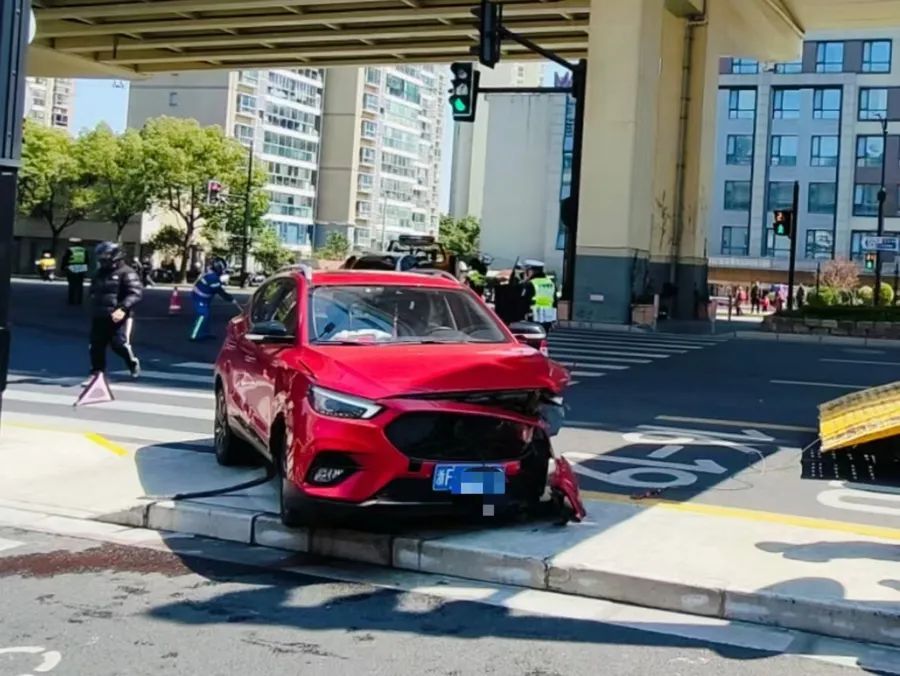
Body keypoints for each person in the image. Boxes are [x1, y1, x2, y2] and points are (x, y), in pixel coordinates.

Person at [88, 241, 143, 379]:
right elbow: (93, 289)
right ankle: (97, 373)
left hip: (119, 316)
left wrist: (123, 308)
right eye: (101, 255)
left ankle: (132, 363)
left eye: (105, 254)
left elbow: (135, 293)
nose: (102, 258)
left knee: (118, 345)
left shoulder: (127, 272)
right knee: (96, 345)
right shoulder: (100, 273)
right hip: (100, 315)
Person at [191, 257, 239, 342]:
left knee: (207, 315)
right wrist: (231, 299)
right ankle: (194, 335)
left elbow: (217, 288)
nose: (223, 271)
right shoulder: (213, 277)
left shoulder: (212, 275)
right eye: (223, 269)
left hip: (204, 298)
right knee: (203, 315)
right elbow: (219, 291)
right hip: (200, 299)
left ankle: (205, 333)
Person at [522, 259, 557, 331]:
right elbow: (554, 302)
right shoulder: (551, 283)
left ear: (531, 271)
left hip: (533, 317)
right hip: (548, 318)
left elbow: (524, 301)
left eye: (527, 271)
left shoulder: (531, 284)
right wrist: (554, 320)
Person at [61, 237, 89, 304]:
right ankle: (79, 300)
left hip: (72, 267)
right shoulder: (84, 250)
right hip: (82, 267)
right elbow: (87, 260)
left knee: (72, 284)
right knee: (80, 285)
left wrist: (62, 267)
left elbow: (65, 259)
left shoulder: (70, 249)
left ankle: (71, 300)